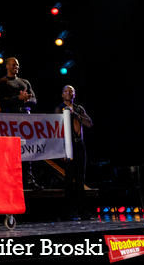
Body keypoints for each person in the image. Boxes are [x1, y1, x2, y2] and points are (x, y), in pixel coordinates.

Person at [0, 57, 42, 190]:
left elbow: (34, 99)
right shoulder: (3, 82)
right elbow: (2, 101)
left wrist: (26, 99)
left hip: (26, 117)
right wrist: (18, 98)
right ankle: (12, 180)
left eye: (18, 64)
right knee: (12, 150)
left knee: (27, 148)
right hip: (11, 118)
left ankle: (29, 179)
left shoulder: (24, 81)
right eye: (14, 64)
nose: (17, 66)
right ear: (7, 66)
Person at [55, 85, 94, 221]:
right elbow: (57, 130)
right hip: (67, 145)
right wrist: (61, 151)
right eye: (66, 90)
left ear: (74, 94)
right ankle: (71, 212)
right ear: (62, 94)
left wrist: (74, 114)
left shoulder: (79, 108)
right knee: (69, 181)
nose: (69, 92)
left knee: (80, 181)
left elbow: (89, 123)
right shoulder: (59, 109)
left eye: (71, 91)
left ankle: (84, 211)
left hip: (79, 145)